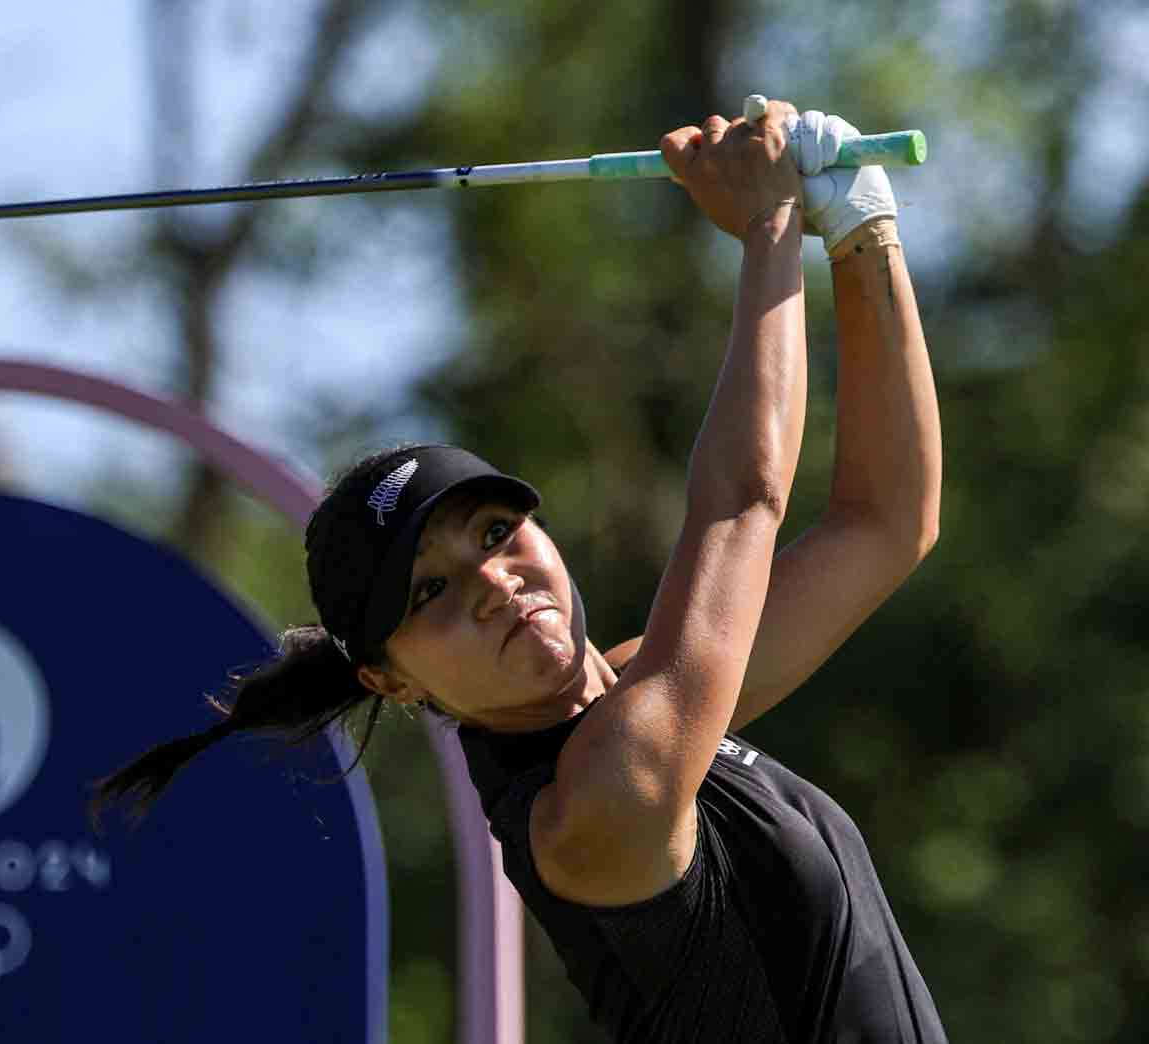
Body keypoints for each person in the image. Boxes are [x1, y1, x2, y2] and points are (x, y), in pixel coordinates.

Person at [93, 100, 945, 1042]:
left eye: (496, 532)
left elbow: (883, 524)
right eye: (431, 592)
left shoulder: (635, 694)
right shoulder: (595, 807)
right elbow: (745, 499)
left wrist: (863, 234)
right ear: (392, 680)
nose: (493, 580)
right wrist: (769, 223)